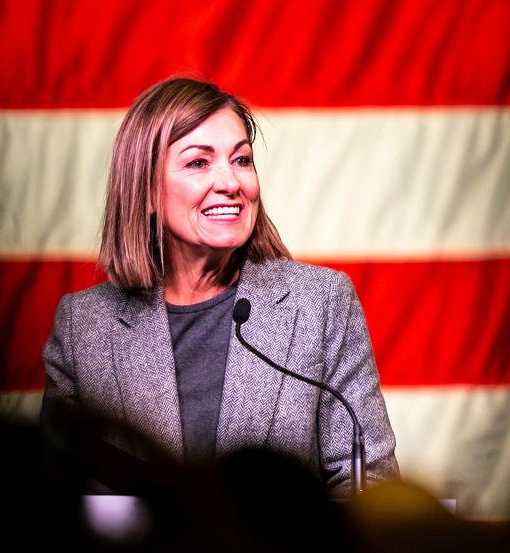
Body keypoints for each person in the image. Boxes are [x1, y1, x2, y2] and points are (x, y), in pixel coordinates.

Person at [41, 77, 398, 495]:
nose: (231, 183)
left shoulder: (321, 303)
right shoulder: (83, 326)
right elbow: (55, 498)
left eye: (242, 160)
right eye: (198, 163)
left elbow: (370, 484)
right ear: (146, 191)